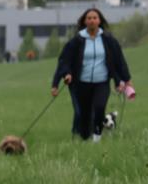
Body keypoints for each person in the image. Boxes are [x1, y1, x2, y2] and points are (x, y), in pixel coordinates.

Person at [51, 8, 133, 142]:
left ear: (99, 21)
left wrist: (127, 79)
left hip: (102, 82)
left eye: (95, 18)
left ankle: (96, 139)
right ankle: (83, 137)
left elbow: (119, 60)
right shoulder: (77, 40)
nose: (92, 20)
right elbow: (64, 60)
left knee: (99, 108)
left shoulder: (108, 39)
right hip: (81, 83)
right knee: (84, 114)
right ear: (85, 21)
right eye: (89, 18)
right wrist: (64, 76)